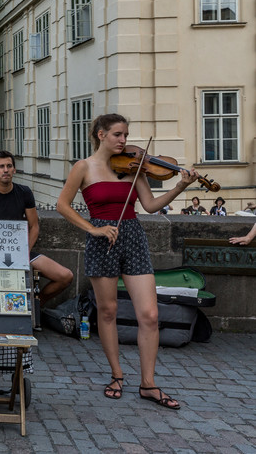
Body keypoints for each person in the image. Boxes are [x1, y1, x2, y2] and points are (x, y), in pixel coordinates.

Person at [56, 113, 199, 410]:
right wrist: (93, 229)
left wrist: (180, 186)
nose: (124, 140)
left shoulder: (134, 168)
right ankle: (117, 375)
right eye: (118, 134)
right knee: (107, 311)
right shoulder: (84, 167)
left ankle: (148, 384)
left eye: (126, 135)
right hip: (102, 240)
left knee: (150, 315)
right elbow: (62, 205)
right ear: (101, 135)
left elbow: (150, 205)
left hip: (133, 237)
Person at [0, 150, 74, 306]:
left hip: (20, 251)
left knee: (65, 276)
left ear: (14, 169)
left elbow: (34, 226)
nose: (5, 170)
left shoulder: (24, 192)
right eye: (1, 167)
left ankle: (35, 304)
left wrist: (23, 253)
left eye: (9, 166)